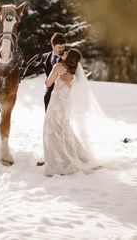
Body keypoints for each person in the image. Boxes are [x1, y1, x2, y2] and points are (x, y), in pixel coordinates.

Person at [43, 48, 90, 176]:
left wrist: (47, 79)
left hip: (55, 103)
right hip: (65, 104)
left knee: (51, 130)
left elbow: (48, 83)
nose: (64, 53)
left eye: (66, 53)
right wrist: (72, 78)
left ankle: (59, 161)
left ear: (69, 57)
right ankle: (75, 155)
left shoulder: (58, 66)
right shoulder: (74, 73)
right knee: (63, 129)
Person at [35, 32, 73, 111]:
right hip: (49, 95)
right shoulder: (45, 56)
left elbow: (77, 73)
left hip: (63, 97)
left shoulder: (69, 58)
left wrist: (71, 77)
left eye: (63, 47)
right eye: (59, 47)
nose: (62, 50)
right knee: (49, 121)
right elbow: (36, 68)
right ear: (52, 45)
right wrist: (23, 65)